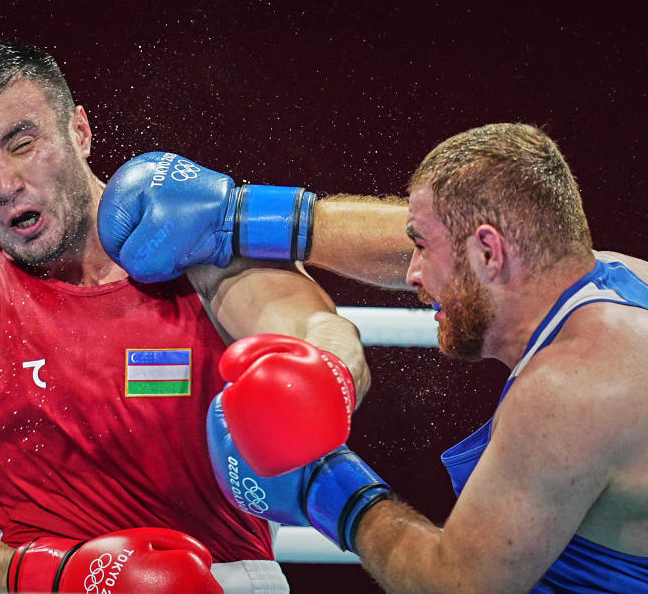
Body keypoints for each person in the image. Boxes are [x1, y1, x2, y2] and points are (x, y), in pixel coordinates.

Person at [0, 39, 375, 593]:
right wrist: (67, 579)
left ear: (81, 132)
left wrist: (319, 376)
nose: (4, 184)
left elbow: (318, 334)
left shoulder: (193, 240)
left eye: (22, 143)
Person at [101, 123, 648, 592]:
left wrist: (325, 488)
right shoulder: (617, 282)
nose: (410, 274)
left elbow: (456, 583)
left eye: (419, 246)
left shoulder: (567, 390)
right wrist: (239, 216)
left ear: (488, 251)